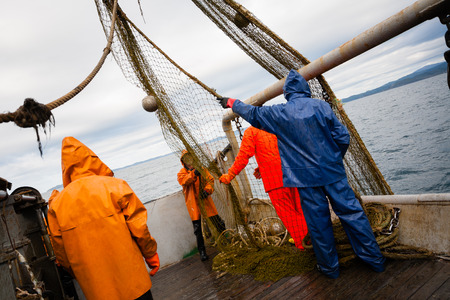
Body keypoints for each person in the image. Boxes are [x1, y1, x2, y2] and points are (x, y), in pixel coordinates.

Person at [217, 69, 385, 279]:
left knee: (318, 224)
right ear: (305, 90)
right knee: (353, 215)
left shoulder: (280, 113)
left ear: (287, 93)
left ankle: (330, 269)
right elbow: (343, 137)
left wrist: (231, 101)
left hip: (304, 181)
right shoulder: (322, 107)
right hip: (333, 174)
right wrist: (332, 159)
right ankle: (375, 261)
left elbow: (253, 113)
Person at [48, 137, 159, 300]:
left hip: (97, 290)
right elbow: (139, 227)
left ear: (65, 169)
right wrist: (150, 254)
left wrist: (78, 274)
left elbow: (61, 252)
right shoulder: (116, 186)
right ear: (92, 159)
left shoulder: (57, 205)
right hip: (134, 282)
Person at [219, 126, 308, 250]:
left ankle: (305, 246)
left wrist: (230, 175)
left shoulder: (251, 131)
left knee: (290, 216)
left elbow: (243, 156)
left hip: (275, 182)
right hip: (293, 175)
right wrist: (263, 166)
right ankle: (313, 239)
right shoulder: (273, 123)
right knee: (302, 210)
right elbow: (284, 148)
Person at [177, 150, 226, 261]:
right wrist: (194, 173)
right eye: (186, 160)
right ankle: (202, 252)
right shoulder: (181, 173)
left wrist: (207, 191)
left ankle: (226, 241)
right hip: (193, 204)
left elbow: (210, 180)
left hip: (205, 201)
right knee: (198, 230)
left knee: (218, 223)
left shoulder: (202, 169)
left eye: (190, 158)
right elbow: (184, 181)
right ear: (183, 162)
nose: (189, 162)